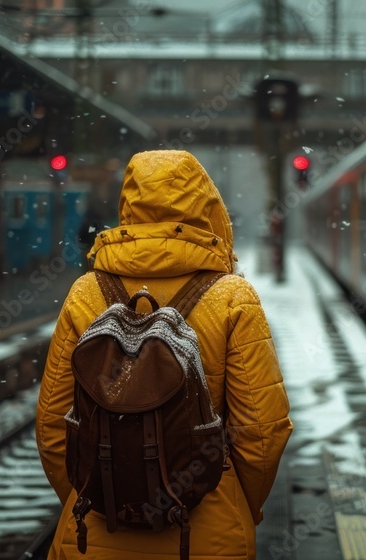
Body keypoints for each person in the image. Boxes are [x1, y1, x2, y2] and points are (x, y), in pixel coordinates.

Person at [36, 150, 293, 559]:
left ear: (128, 208)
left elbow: (53, 429)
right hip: (207, 538)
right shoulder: (232, 297)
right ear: (208, 210)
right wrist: (237, 503)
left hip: (95, 538)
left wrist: (102, 496)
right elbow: (262, 434)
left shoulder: (85, 293)